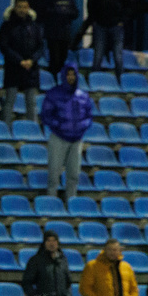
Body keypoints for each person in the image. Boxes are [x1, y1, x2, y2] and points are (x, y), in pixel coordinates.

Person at [39, 63, 92, 202]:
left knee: (74, 175)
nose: (71, 77)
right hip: (58, 138)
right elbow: (46, 115)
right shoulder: (53, 94)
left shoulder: (83, 96)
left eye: (73, 74)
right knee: (53, 175)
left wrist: (81, 127)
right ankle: (51, 204)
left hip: (77, 140)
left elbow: (89, 116)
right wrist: (60, 126)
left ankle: (71, 203)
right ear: (63, 75)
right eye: (68, 74)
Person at [0, 0, 44, 125]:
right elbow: (4, 46)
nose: (22, 10)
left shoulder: (35, 26)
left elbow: (40, 46)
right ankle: (5, 130)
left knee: (31, 102)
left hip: (31, 69)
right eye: (19, 7)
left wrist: (32, 60)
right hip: (13, 68)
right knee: (9, 101)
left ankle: (33, 131)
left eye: (24, 7)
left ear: (28, 8)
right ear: (14, 7)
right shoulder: (7, 26)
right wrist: (19, 61)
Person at [87, 0, 128, 78]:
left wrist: (122, 20)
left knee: (118, 56)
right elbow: (91, 3)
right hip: (100, 24)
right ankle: (94, 80)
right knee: (98, 55)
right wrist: (94, 19)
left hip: (116, 25)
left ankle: (121, 82)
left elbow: (128, 3)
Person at [21, 232, 73, 296]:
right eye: (49, 240)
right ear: (44, 243)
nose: (52, 243)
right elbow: (27, 282)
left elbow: (68, 282)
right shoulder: (36, 261)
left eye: (54, 240)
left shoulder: (62, 260)